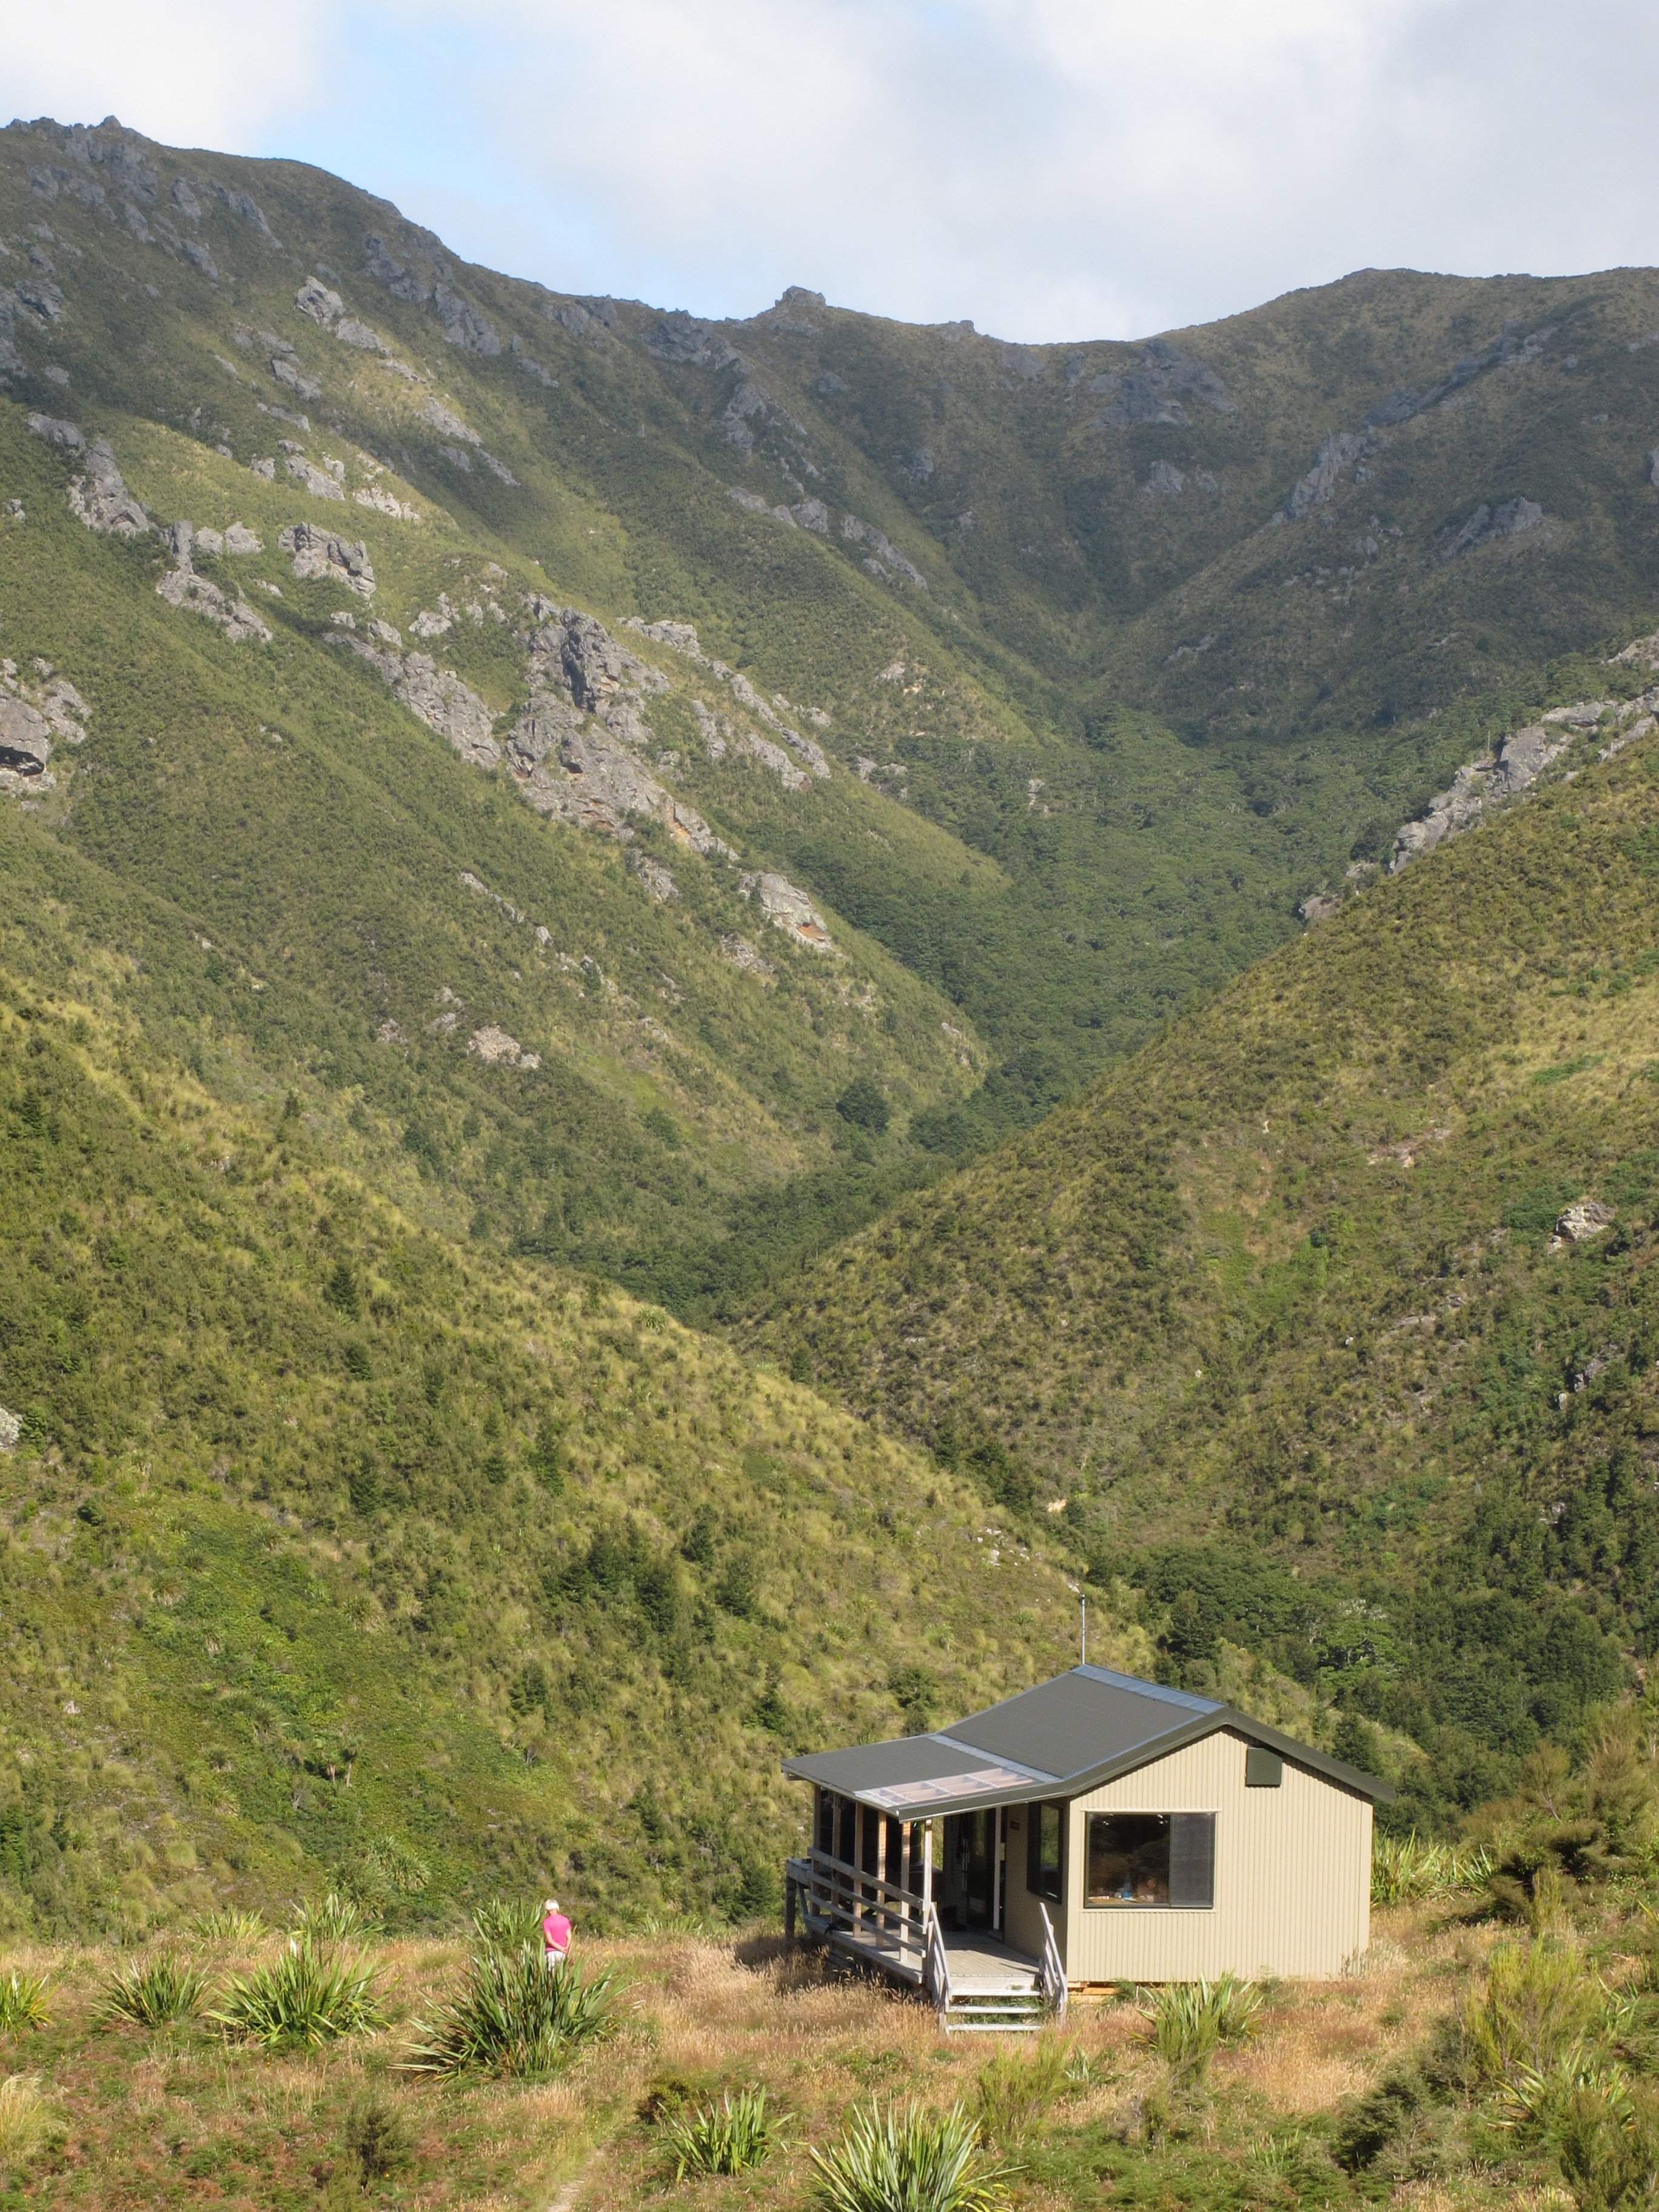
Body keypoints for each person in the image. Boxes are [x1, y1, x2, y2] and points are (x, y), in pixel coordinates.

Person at [541, 1897, 571, 1969]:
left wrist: (561, 1948)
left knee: (551, 1976)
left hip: (551, 1952)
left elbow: (550, 1940)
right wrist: (567, 1951)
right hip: (563, 1954)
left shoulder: (546, 1922)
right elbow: (569, 1938)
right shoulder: (565, 1920)